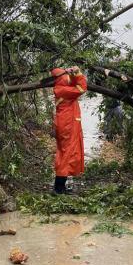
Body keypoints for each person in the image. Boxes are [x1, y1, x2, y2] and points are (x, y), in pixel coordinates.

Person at [51, 66, 87, 194]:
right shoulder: (62, 90)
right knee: (66, 155)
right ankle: (58, 188)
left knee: (66, 154)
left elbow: (73, 83)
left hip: (66, 124)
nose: (68, 77)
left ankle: (60, 187)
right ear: (62, 79)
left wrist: (73, 73)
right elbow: (82, 88)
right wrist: (78, 73)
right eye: (65, 75)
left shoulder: (61, 88)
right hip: (67, 125)